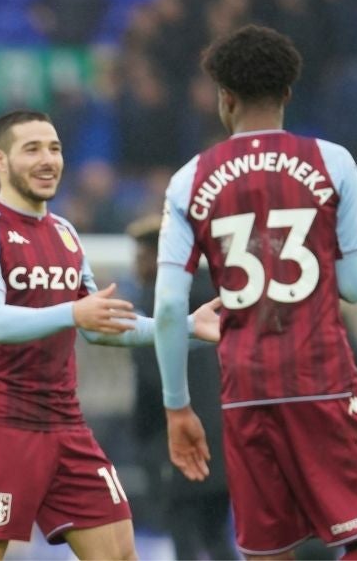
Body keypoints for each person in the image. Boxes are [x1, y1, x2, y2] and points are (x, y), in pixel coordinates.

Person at [153, 24, 357, 560]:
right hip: (324, 382)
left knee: (268, 549)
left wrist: (178, 409)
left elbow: (169, 307)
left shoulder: (190, 179)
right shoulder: (333, 162)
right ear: (287, 93)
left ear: (225, 99)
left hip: (246, 391)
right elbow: (354, 287)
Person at [0, 110, 221, 560]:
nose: (48, 159)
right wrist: (73, 311)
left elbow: (102, 327)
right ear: (0, 159)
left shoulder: (66, 234)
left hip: (66, 425)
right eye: (32, 149)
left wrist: (186, 328)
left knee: (120, 553)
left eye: (54, 148)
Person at [126, 214, 236, 560]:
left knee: (183, 534)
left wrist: (144, 442)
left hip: (174, 440)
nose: (135, 265)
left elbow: (151, 383)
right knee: (217, 533)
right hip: (225, 435)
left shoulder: (154, 307)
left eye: (141, 256)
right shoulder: (220, 300)